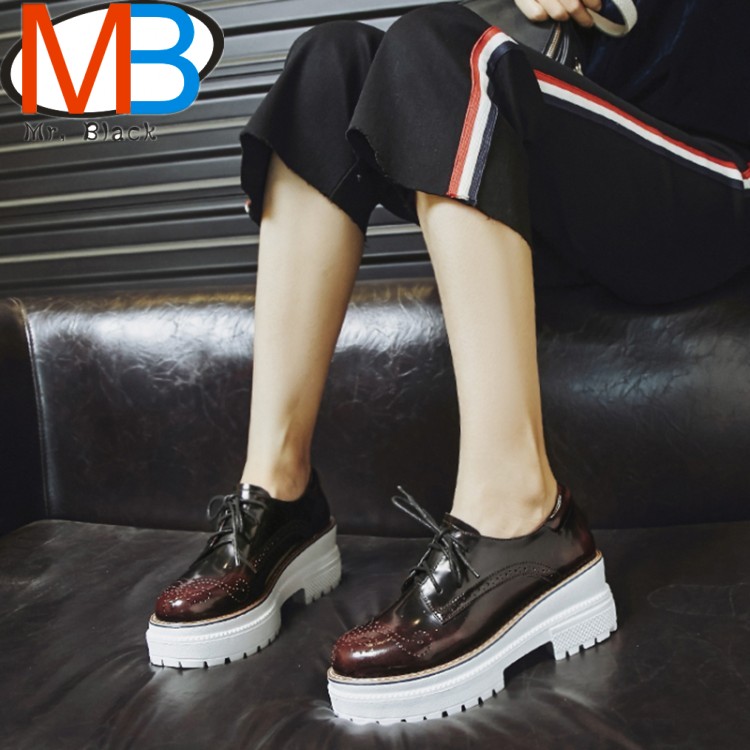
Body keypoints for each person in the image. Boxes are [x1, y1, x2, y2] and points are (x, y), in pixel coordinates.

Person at [145, 0, 750, 724]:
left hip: (713, 173)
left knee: (441, 46)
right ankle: (279, 497)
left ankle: (520, 513)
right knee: (329, 61)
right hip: (588, 147)